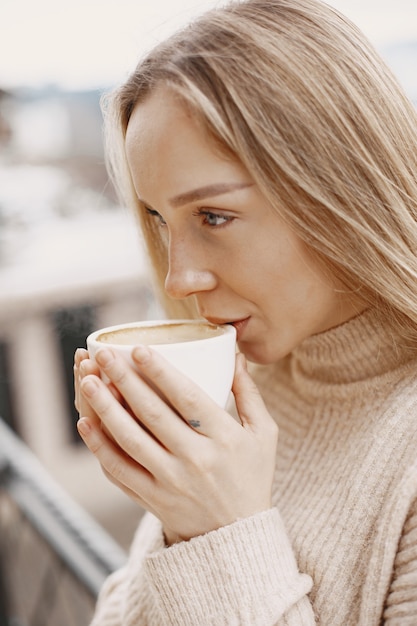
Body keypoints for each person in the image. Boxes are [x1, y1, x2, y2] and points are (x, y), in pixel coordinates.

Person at [73, 0, 417, 623]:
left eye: (214, 216)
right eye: (159, 218)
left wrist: (218, 533)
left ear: (340, 190)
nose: (179, 277)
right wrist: (173, 510)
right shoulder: (243, 385)